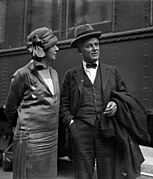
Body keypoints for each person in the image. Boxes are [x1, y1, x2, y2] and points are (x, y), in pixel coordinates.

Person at [60, 24, 150, 179]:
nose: (95, 48)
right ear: (80, 50)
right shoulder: (71, 75)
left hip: (106, 130)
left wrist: (115, 104)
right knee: (82, 175)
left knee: (108, 174)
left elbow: (123, 95)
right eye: (89, 46)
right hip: (81, 132)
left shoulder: (112, 72)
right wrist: (71, 124)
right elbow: (64, 104)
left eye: (96, 44)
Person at [4, 27, 60, 179]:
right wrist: (23, 129)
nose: (57, 48)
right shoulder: (22, 74)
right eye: (53, 45)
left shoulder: (54, 73)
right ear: (43, 48)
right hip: (31, 142)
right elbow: (10, 109)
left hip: (50, 139)